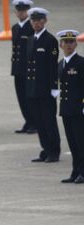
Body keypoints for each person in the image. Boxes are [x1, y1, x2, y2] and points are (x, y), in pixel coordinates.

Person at [26, 7, 61, 163]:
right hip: (33, 89)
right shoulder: (31, 39)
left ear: (45, 21)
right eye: (33, 21)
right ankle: (45, 149)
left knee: (48, 121)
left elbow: (52, 66)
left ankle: (54, 151)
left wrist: (54, 86)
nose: (36, 23)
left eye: (39, 20)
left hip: (46, 89)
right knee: (39, 121)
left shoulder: (50, 40)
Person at [56, 30, 84, 184]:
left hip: (79, 109)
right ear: (61, 45)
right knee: (72, 142)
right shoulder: (61, 64)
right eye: (65, 42)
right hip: (66, 109)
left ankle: (83, 172)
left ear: (76, 44)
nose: (68, 45)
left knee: (81, 142)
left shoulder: (81, 63)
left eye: (71, 42)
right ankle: (75, 171)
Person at [11, 0, 36, 134]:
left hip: (28, 69)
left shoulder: (31, 27)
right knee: (21, 97)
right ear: (16, 12)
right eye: (19, 10)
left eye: (24, 10)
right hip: (17, 69)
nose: (21, 13)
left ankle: (34, 122)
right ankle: (27, 120)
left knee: (29, 97)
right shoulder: (15, 28)